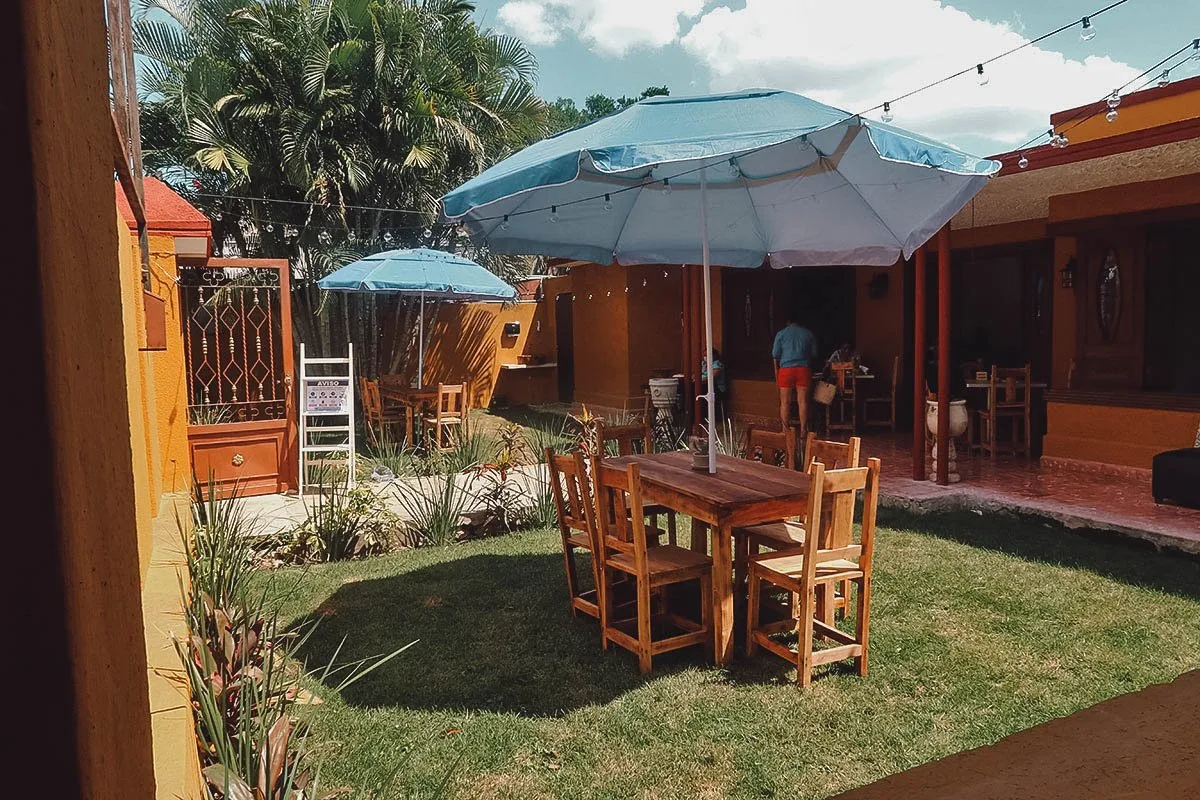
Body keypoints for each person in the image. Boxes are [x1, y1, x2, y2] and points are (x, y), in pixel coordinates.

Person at [772, 313, 818, 435]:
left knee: (785, 401)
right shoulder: (808, 333)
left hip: (786, 370)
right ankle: (803, 430)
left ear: (788, 322)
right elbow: (814, 353)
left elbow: (775, 354)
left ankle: (784, 429)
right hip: (803, 369)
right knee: (803, 401)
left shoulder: (781, 334)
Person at [701, 349, 727, 421]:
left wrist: (700, 380)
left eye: (707, 355)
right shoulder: (704, 364)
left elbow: (712, 376)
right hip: (704, 385)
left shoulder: (717, 364)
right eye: (704, 355)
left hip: (717, 388)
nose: (705, 357)